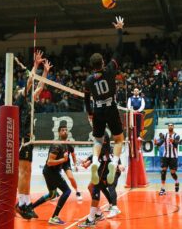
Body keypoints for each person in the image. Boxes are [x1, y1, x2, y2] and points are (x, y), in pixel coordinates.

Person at [84, 16, 124, 186]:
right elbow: (119, 49)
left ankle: (94, 160)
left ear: (92, 66)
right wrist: (119, 29)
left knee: (98, 140)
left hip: (98, 110)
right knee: (119, 139)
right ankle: (114, 163)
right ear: (102, 62)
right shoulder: (110, 70)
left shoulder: (88, 80)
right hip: (111, 107)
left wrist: (91, 114)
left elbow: (86, 98)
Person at [14, 51, 52, 219]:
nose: (26, 90)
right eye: (22, 90)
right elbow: (30, 83)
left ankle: (25, 202)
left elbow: (40, 86)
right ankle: (22, 204)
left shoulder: (29, 101)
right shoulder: (20, 100)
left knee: (28, 171)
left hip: (29, 138)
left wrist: (45, 72)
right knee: (23, 171)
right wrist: (35, 66)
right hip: (22, 137)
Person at [79, 133, 124, 227]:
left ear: (103, 140)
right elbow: (94, 155)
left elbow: (112, 156)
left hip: (110, 170)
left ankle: (92, 218)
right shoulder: (101, 148)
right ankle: (99, 213)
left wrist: (119, 165)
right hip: (104, 170)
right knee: (91, 187)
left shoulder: (107, 149)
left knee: (101, 187)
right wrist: (86, 162)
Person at [31, 125, 71, 225]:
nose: (65, 132)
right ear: (58, 132)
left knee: (52, 194)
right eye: (62, 130)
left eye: (66, 130)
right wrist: (63, 160)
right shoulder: (57, 144)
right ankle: (54, 217)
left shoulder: (65, 144)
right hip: (50, 171)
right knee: (67, 191)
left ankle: (29, 208)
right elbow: (49, 162)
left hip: (51, 171)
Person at [155, 123, 180, 196]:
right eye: (169, 125)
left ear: (173, 127)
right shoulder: (165, 135)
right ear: (167, 127)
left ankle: (177, 182)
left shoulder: (177, 136)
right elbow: (160, 143)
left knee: (172, 173)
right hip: (165, 156)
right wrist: (157, 143)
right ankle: (163, 188)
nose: (170, 126)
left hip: (173, 156)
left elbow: (176, 145)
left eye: (171, 125)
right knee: (163, 171)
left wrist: (173, 141)